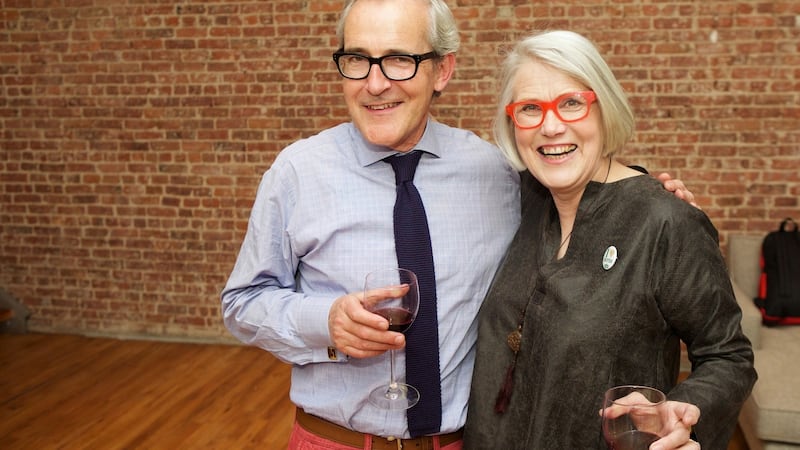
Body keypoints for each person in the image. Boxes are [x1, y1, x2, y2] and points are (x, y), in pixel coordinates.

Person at [220, 1, 697, 449]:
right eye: (358, 59)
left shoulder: (497, 176)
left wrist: (642, 192)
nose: (375, 82)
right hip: (332, 440)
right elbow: (243, 301)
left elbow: (571, 182)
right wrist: (323, 322)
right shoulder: (297, 173)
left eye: (399, 60)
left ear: (442, 70)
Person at [463, 30, 757, 450]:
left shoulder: (666, 223)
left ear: (604, 109)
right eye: (530, 108)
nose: (550, 125)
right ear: (513, 123)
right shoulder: (524, 201)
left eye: (571, 103)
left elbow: (729, 356)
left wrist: (685, 411)